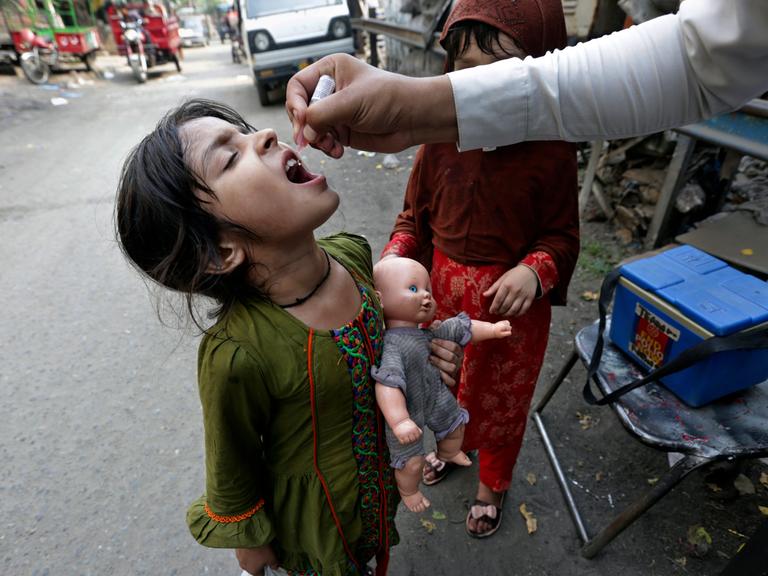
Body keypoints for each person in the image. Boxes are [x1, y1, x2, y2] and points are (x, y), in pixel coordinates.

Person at [115, 99, 406, 576]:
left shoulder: (353, 257)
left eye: (245, 132)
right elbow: (231, 460)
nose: (267, 135)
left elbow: (389, 335)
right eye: (230, 157)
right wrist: (250, 544)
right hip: (311, 529)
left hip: (379, 486)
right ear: (221, 251)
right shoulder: (237, 354)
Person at [378, 0, 580, 539]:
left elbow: (561, 236)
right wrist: (396, 257)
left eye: (501, 69)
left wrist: (534, 271)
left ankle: (493, 481)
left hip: (510, 318)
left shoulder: (553, 150)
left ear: (539, 67)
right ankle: (452, 447)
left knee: (501, 403)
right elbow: (412, 219)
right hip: (440, 304)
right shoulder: (440, 138)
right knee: (441, 389)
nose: (480, 85)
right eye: (466, 70)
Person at [285, 0, 768, 157]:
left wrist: (533, 271)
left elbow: (705, 57)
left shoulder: (547, 158)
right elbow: (704, 56)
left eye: (499, 69)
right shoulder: (440, 154)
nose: (266, 140)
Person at [371, 257, 512, 514]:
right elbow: (387, 384)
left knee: (455, 426)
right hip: (408, 410)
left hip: (436, 396)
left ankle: (449, 454)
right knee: (411, 463)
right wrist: (399, 420)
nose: (426, 295)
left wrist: (492, 329)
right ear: (380, 299)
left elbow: (461, 328)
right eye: (413, 289)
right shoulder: (392, 345)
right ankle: (409, 490)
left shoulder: (429, 334)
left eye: (428, 290)